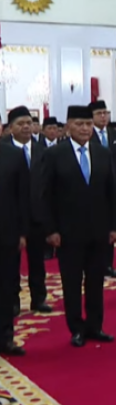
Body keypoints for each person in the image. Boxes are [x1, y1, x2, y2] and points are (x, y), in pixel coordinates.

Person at [35, 105, 116, 347]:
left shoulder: (102, 153)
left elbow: (112, 192)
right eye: (79, 124)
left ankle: (95, 326)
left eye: (88, 124)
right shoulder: (54, 155)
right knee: (71, 283)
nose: (85, 129)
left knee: (95, 281)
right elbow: (45, 195)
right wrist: (50, 230)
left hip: (99, 231)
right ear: (68, 126)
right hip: (67, 233)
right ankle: (76, 328)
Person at [5, 106, 50, 313]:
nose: (25, 127)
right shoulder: (4, 151)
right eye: (20, 124)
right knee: (11, 263)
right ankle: (12, 301)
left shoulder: (44, 152)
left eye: (28, 123)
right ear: (10, 128)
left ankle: (38, 298)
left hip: (38, 216)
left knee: (37, 261)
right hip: (11, 217)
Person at [0, 124, 29, 356]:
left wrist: (22, 232)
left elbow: (23, 196)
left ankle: (5, 337)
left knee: (7, 286)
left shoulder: (13, 155)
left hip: (7, 232)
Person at [88, 100, 116, 275]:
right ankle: (93, 264)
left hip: (113, 189)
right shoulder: (87, 135)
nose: (103, 116)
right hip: (93, 189)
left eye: (105, 113)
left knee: (111, 226)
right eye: (99, 113)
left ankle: (108, 265)